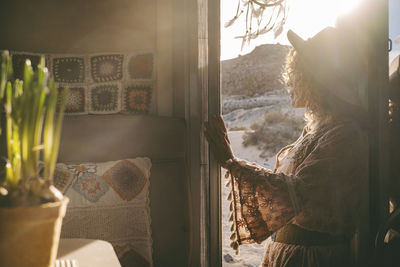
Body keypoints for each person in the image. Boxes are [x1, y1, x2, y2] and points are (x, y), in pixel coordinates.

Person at [205, 24, 369, 267]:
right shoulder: (319, 129)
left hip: (312, 260)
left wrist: (232, 163)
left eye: (297, 72)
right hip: (292, 255)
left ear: (317, 79)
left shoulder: (345, 134)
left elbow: (295, 192)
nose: (289, 80)